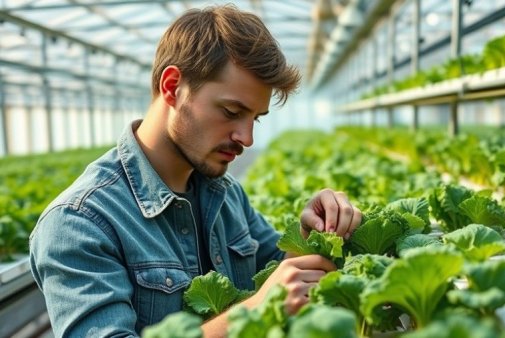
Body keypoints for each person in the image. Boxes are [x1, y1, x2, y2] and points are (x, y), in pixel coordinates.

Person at [29, 4, 362, 338]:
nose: (246, 138)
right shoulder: (79, 222)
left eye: (255, 118)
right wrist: (259, 308)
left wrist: (309, 232)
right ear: (173, 87)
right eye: (231, 111)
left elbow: (274, 266)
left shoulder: (225, 193)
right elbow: (267, 296)